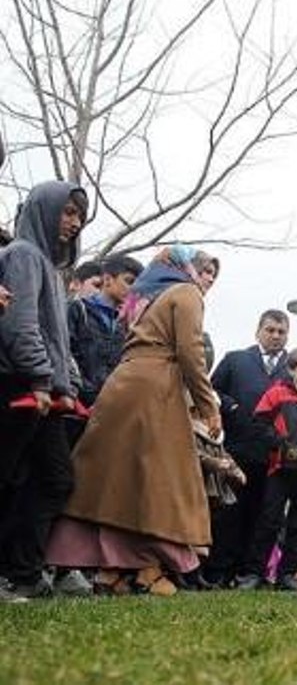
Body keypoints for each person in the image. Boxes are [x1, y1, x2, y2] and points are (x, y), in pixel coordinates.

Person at [44, 246, 221, 597]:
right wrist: (207, 404)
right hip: (156, 388)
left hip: (121, 385)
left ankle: (113, 570)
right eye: (203, 271)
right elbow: (191, 351)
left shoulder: (140, 300)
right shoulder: (185, 293)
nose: (206, 281)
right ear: (187, 269)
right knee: (162, 482)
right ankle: (149, 569)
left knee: (118, 481)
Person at [0, 182, 87, 601]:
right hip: (19, 385)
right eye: (67, 212)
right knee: (9, 477)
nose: (73, 223)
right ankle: (15, 572)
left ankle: (24, 572)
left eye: (78, 216)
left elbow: (58, 340)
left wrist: (65, 385)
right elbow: (20, 327)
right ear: (43, 210)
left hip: (46, 393)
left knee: (55, 479)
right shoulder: (21, 255)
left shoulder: (51, 269)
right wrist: (40, 378)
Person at [236, 347, 297, 591]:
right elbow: (259, 424)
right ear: (292, 369)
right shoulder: (277, 394)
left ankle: (288, 574)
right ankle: (254, 573)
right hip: (280, 469)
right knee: (269, 521)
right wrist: (281, 445)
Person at [203, 310, 291, 587]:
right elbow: (211, 391)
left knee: (263, 516)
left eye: (281, 331)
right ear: (258, 331)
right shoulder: (236, 359)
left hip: (273, 456)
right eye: (270, 330)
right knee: (230, 513)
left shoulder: (294, 367)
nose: (275, 336)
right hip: (237, 450)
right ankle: (219, 572)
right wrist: (231, 406)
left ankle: (250, 572)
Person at [67, 255, 144, 407]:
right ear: (108, 280)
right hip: (75, 403)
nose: (133, 289)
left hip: (108, 406)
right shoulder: (78, 309)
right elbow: (66, 353)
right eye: (129, 281)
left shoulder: (123, 325)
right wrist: (82, 391)